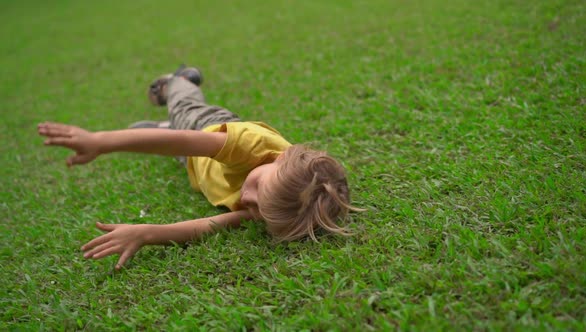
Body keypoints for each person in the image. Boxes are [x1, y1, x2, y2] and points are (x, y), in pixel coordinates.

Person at [38, 65, 359, 270]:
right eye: (258, 188)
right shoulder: (253, 145)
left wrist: (147, 233)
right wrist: (101, 141)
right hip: (205, 131)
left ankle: (158, 125)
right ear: (280, 159)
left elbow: (209, 225)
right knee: (183, 108)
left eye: (257, 210)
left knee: (152, 131)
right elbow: (180, 141)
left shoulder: (271, 206)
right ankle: (178, 81)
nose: (247, 201)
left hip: (196, 166)